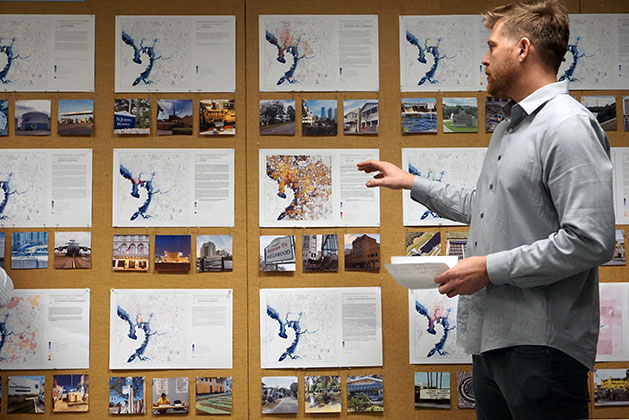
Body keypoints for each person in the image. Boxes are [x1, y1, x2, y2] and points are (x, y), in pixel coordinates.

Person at [358, 1, 615, 419]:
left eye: (492, 45)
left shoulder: (568, 127)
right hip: (492, 342)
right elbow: (487, 206)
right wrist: (411, 182)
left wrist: (489, 269)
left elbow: (591, 240)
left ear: (523, 49)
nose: (484, 57)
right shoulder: (510, 128)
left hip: (541, 350)